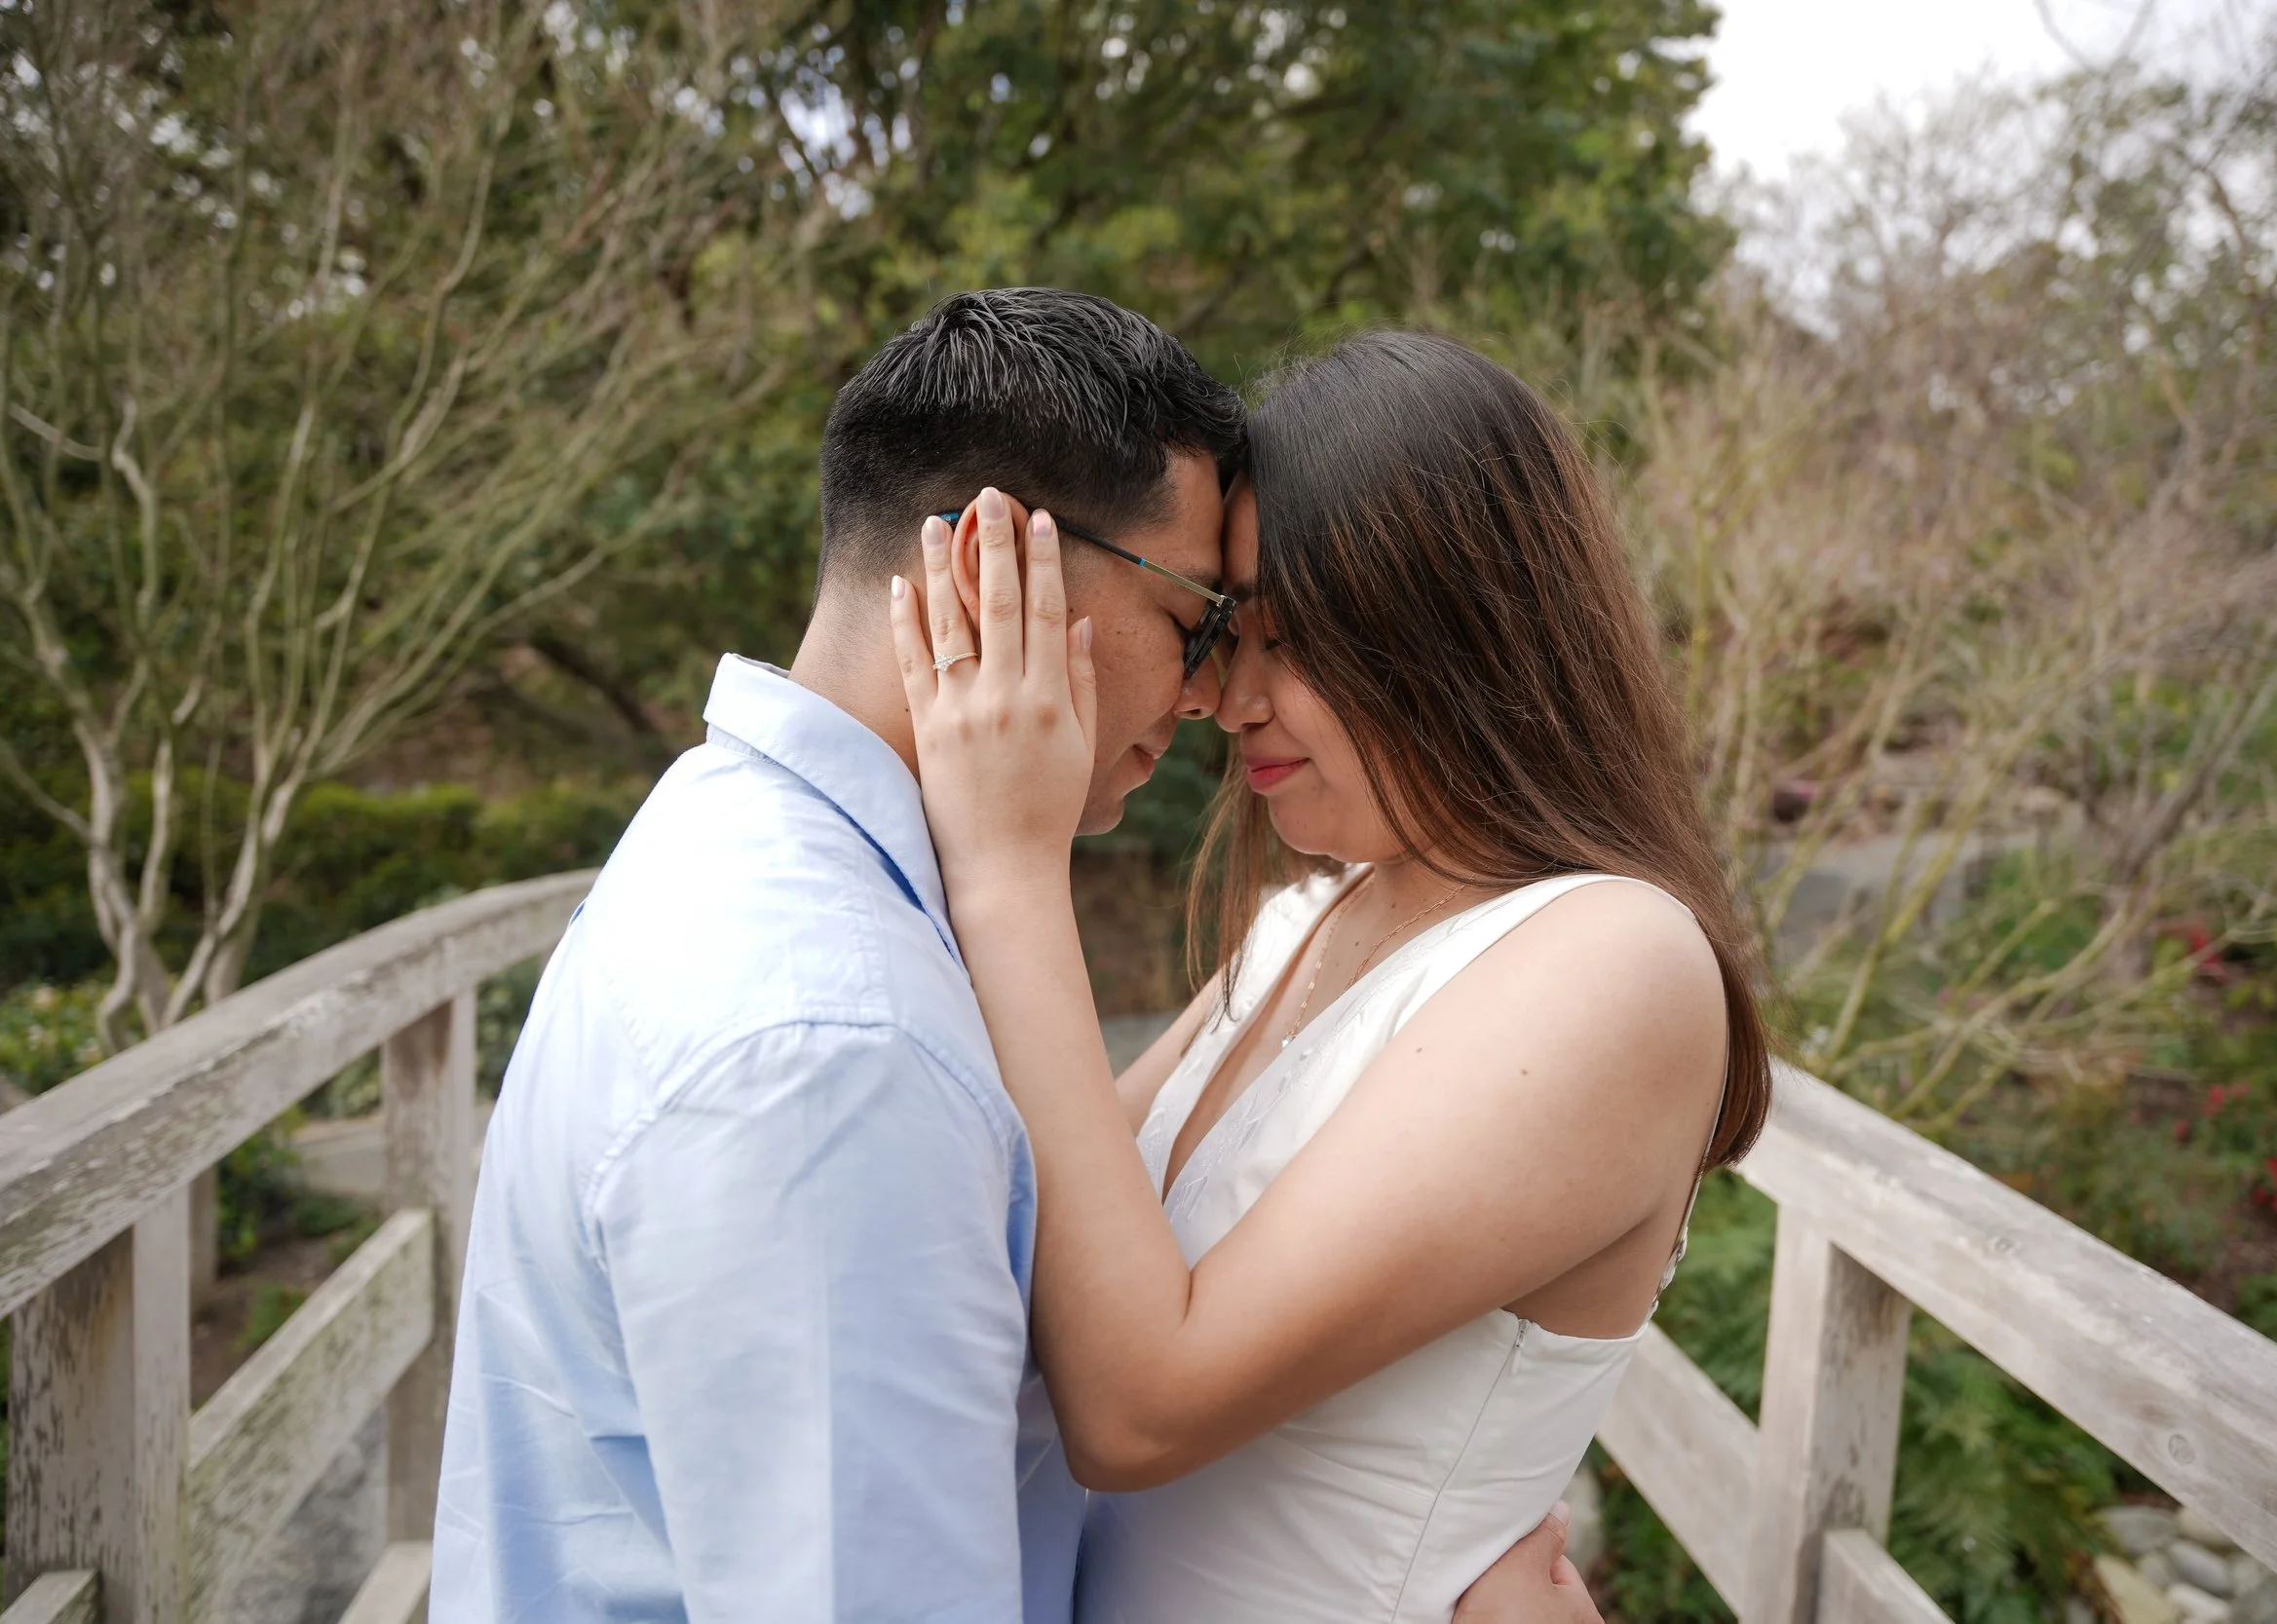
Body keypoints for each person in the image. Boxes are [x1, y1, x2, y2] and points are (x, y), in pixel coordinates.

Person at [429, 290, 1598, 1624]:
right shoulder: (831, 1045)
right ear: (992, 567)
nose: (1209, 696)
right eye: (1199, 621)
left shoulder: (730, 850)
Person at [892, 330, 1773, 1622]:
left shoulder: (1615, 961)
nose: (1228, 695)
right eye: (1229, 632)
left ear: (1460, 630)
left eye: (1293, 639)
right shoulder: (1311, 911)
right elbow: (1023, 1220)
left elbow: (1140, 1405)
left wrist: (1011, 865)